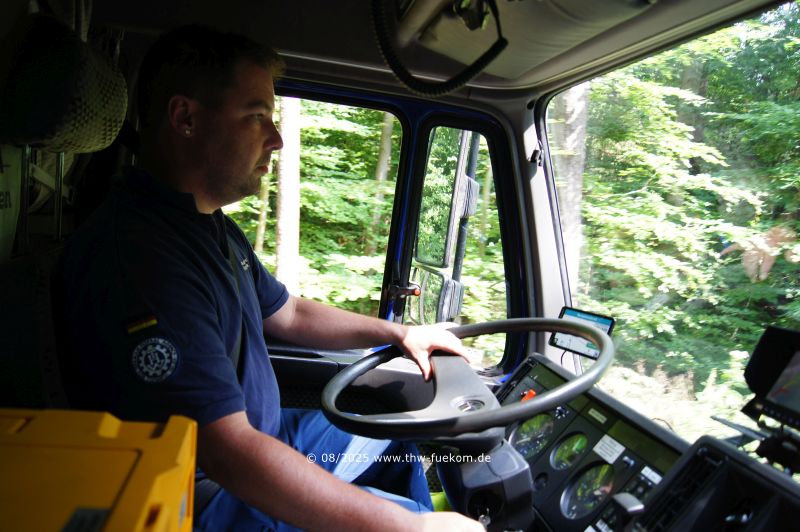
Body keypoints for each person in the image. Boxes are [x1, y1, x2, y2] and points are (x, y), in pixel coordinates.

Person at [57, 24, 484, 531]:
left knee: (392, 438)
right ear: (185, 118)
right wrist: (409, 527)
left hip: (266, 437)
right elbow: (227, 453)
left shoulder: (208, 226)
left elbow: (291, 314)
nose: (277, 138)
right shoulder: (142, 260)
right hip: (203, 497)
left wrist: (400, 332)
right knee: (412, 522)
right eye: (257, 115)